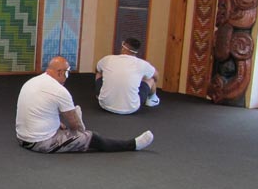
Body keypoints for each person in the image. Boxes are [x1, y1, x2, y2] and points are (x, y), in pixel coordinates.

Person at [16, 56, 154, 153]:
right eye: (67, 72)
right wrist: (77, 123)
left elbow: (39, 110)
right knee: (92, 137)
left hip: (22, 138)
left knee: (62, 125)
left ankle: (64, 126)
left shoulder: (33, 81)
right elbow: (74, 127)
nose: (68, 76)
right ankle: (133, 145)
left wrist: (58, 124)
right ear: (60, 72)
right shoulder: (60, 91)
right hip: (40, 143)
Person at [95, 37, 160, 114]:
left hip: (104, 105)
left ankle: (100, 95)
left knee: (99, 72)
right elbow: (156, 75)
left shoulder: (108, 59)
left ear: (123, 47)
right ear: (136, 51)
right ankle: (152, 98)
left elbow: (97, 69)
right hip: (131, 108)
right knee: (150, 79)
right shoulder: (142, 64)